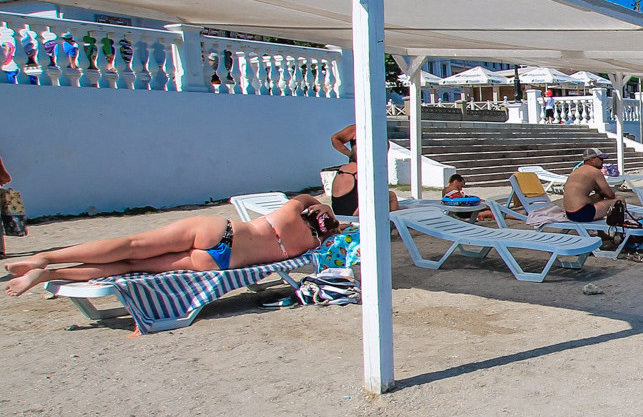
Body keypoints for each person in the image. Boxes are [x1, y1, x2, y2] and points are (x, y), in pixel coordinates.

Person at [6, 195, 340, 297]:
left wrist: (321, 206)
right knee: (130, 266)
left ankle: (42, 257)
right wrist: (328, 227)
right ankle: (47, 273)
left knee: (131, 245)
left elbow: (308, 198)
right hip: (219, 262)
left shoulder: (289, 213)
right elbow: (332, 235)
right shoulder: (308, 243)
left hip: (220, 233)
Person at [329, 124, 398, 216]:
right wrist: (348, 153)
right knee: (389, 195)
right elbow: (335, 139)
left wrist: (350, 154)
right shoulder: (357, 129)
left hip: (339, 209)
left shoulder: (343, 169)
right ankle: (394, 223)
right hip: (355, 210)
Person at [562, 148, 622, 223]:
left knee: (599, 196)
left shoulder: (576, 171)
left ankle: (601, 232)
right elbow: (610, 195)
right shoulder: (595, 171)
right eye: (600, 159)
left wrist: (600, 192)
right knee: (619, 200)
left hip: (570, 213)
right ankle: (619, 231)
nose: (603, 162)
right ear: (592, 159)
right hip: (583, 213)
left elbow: (599, 193)